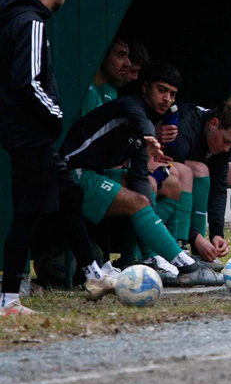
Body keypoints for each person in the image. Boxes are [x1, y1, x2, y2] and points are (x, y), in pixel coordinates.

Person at [0, 0, 116, 315]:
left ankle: (93, 274)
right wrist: (55, 116)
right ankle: (8, 298)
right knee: (28, 213)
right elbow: (29, 81)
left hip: (28, 132)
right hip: (29, 132)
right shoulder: (30, 22)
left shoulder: (17, 14)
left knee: (70, 194)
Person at [60, 62, 221, 286]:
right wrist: (150, 138)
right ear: (146, 88)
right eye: (162, 90)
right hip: (72, 174)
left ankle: (145, 258)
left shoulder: (147, 119)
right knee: (137, 202)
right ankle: (186, 265)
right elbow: (140, 121)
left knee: (166, 187)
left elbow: (139, 179)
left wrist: (150, 210)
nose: (167, 99)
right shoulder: (131, 106)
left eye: (172, 94)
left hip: (97, 173)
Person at [167, 101, 231, 264]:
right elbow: (173, 181)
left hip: (197, 175)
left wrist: (217, 233)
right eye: (226, 141)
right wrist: (196, 237)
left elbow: (219, 187)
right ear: (213, 124)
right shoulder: (185, 125)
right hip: (168, 174)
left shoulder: (221, 143)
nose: (227, 149)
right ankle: (189, 250)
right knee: (200, 170)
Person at [80, 36, 130, 115]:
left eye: (127, 56)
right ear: (103, 55)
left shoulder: (109, 90)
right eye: (120, 55)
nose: (128, 63)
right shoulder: (88, 93)